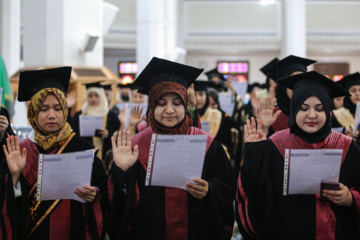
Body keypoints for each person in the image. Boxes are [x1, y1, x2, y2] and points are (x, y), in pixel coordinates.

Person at [108, 57, 235, 240]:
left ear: (186, 105)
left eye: (177, 103)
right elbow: (118, 202)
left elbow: (225, 188)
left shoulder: (207, 145)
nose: (169, 110)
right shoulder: (135, 146)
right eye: (161, 103)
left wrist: (209, 190)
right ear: (151, 106)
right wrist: (120, 171)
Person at [236, 71, 360, 239]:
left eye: (319, 108)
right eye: (303, 108)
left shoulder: (347, 147)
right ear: (294, 110)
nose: (311, 115)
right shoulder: (276, 145)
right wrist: (256, 152)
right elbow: (256, 192)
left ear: (328, 113)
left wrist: (351, 198)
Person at [0, 67, 107, 239]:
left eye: (58, 108)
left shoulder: (83, 150)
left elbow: (104, 194)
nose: (52, 115)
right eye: (44, 109)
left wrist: (95, 194)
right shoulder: (21, 151)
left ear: (65, 110)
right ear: (33, 113)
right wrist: (14, 177)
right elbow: (9, 208)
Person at [260, 55, 317, 136]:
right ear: (282, 86)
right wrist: (264, 128)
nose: (297, 86)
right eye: (292, 81)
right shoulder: (271, 116)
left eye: (302, 80)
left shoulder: (317, 114)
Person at [70, 82, 120, 159]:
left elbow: (117, 135)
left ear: (101, 97)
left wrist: (108, 134)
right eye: (90, 96)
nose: (93, 99)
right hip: (84, 156)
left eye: (96, 96)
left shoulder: (111, 115)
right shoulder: (80, 115)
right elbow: (72, 133)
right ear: (86, 97)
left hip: (105, 156)